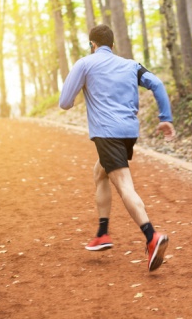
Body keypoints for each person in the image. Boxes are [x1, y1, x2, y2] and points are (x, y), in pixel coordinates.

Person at [59, 24, 176, 272]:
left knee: (123, 185)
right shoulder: (131, 65)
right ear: (112, 46)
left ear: (92, 45)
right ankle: (102, 233)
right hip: (128, 134)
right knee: (99, 172)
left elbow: (65, 103)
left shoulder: (85, 63)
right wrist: (165, 118)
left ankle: (151, 236)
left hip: (106, 134)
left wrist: (86, 85)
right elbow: (157, 84)